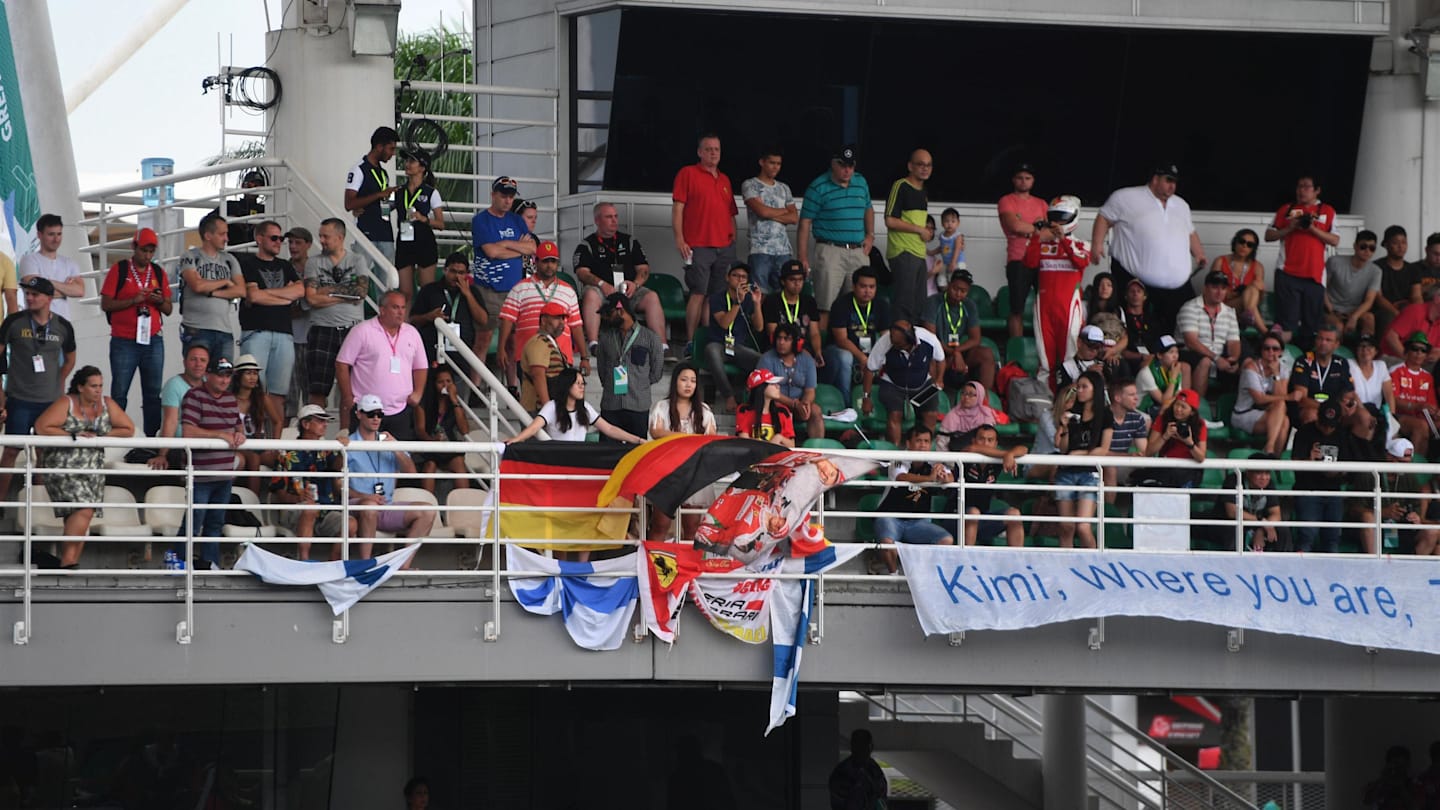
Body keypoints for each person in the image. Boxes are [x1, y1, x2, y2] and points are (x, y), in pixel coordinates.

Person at [33, 367, 135, 569]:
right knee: (84, 508)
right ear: (80, 387)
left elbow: (128, 429)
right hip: (63, 465)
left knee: (79, 514)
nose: (98, 390)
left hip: (93, 467)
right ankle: (69, 561)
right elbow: (42, 426)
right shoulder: (66, 402)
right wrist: (73, 437)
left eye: (100, 386)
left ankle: (67, 564)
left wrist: (102, 438)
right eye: (93, 386)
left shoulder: (107, 403)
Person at [1092, 163, 1206, 335]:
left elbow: (1190, 231)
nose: (1172, 186)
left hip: (1177, 286)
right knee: (1134, 331)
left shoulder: (1181, 205)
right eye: (1168, 180)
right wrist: (1097, 245)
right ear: (1155, 179)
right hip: (1135, 280)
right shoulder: (1125, 197)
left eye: (1174, 182)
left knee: (1179, 327)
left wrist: (1199, 253)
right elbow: (1104, 218)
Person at [0, 277, 76, 503]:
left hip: (49, 401)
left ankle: (39, 503)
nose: (29, 298)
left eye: (35, 294)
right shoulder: (14, 322)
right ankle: (1, 502)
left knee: (44, 452)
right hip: (19, 398)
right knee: (12, 450)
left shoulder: (63, 326)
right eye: (27, 293)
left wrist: (58, 382)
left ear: (49, 298)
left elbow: (71, 359)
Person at [342, 394, 436, 561]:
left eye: (380, 414)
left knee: (428, 511)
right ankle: (366, 563)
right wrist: (365, 497)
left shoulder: (389, 441)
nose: (376, 418)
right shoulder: (348, 443)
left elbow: (411, 473)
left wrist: (396, 448)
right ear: (359, 414)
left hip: (386, 505)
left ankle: (403, 564)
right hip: (357, 505)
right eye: (371, 414)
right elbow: (338, 484)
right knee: (369, 507)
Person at [99, 227, 172, 437]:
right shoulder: (120, 269)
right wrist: (134, 300)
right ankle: (115, 439)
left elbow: (169, 309)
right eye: (143, 251)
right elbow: (106, 304)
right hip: (124, 340)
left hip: (153, 339)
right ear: (134, 247)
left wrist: (159, 301)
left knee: (152, 394)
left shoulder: (158, 272)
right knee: (120, 392)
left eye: (151, 252)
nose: (147, 256)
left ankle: (151, 442)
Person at [673, 133, 740, 354]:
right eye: (709, 149)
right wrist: (680, 239)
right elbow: (678, 208)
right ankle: (691, 341)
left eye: (717, 149)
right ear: (700, 152)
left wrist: (733, 237)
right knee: (698, 293)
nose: (713, 153)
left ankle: (707, 340)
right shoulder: (688, 173)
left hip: (724, 246)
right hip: (699, 245)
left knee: (716, 296)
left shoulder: (724, 179)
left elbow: (731, 213)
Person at [798, 144, 874, 334]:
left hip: (858, 250)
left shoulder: (860, 182)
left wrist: (870, 235)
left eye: (851, 165)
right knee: (825, 306)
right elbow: (805, 223)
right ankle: (821, 354)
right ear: (833, 163)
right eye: (842, 165)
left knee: (858, 305)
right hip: (830, 250)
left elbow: (868, 208)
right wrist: (803, 257)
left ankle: (852, 350)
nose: (847, 170)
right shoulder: (818, 186)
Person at [180, 356, 247, 569]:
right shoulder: (194, 396)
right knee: (194, 520)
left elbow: (238, 427)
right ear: (208, 375)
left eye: (228, 376)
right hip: (201, 473)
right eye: (220, 375)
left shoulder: (230, 399)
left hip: (224, 474)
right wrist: (221, 435)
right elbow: (188, 432)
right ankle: (179, 562)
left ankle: (210, 565)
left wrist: (239, 435)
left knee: (215, 523)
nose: (225, 380)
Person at [335, 291, 429, 441]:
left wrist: (418, 393)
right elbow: (342, 364)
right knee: (363, 458)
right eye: (395, 307)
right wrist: (347, 396)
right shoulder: (362, 331)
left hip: (401, 409)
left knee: (399, 459)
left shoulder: (412, 333)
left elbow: (421, 366)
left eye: (403, 308)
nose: (400, 312)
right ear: (382, 309)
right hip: (366, 410)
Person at [573, 202, 665, 351]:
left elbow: (644, 268)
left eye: (616, 216)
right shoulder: (587, 245)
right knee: (590, 294)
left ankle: (662, 346)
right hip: (602, 292)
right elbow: (581, 273)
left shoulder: (629, 241)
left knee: (652, 297)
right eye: (609, 217)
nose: (614, 220)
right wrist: (602, 284)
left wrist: (635, 284)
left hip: (629, 291)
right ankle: (594, 344)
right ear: (597, 220)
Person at [269, 404, 353, 561]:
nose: (325, 425)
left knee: (351, 523)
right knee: (309, 508)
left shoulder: (327, 448)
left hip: (326, 511)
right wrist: (299, 499)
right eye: (320, 421)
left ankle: (334, 562)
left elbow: (337, 466)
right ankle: (305, 561)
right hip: (295, 513)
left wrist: (343, 448)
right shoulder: (285, 452)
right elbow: (279, 493)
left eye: (325, 421)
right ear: (305, 424)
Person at [238, 220, 304, 423]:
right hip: (256, 333)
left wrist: (265, 293)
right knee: (252, 389)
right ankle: (254, 437)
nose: (279, 242)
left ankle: (275, 442)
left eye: (281, 238)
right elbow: (252, 296)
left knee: (278, 393)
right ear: (259, 239)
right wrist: (284, 297)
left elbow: (300, 291)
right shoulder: (247, 263)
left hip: (284, 334)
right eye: (274, 238)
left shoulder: (286, 265)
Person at [1266, 175, 1340, 348]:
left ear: (1317, 190)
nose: (1302, 190)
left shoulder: (1327, 210)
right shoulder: (1286, 209)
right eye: (1299, 186)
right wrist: (1290, 227)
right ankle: (1278, 361)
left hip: (1314, 276)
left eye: (1307, 186)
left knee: (1311, 327)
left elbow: (1335, 240)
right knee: (1285, 325)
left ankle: (1307, 365)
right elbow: (1269, 235)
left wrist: (1312, 228)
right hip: (1287, 273)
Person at [498, 240, 587, 383]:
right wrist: (501, 348)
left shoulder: (568, 291)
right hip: (527, 356)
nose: (550, 265)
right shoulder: (519, 288)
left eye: (553, 261)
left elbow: (576, 326)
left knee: (558, 401)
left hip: (561, 356)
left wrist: (584, 357)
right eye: (545, 261)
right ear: (536, 262)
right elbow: (507, 319)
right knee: (531, 401)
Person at [1025, 194, 1090, 387]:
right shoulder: (1042, 244)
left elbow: (1081, 261)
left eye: (1062, 216)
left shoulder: (1081, 245)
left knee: (1069, 358)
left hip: (1069, 306)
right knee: (1045, 360)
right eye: (1054, 217)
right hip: (1043, 306)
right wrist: (1037, 237)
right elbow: (1029, 262)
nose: (1057, 222)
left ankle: (1069, 401)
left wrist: (1063, 240)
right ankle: (1044, 402)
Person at [647, 363, 717, 541]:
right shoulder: (661, 407)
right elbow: (656, 431)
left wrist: (682, 439)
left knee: (692, 526)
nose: (688, 385)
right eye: (684, 380)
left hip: (694, 472)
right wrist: (685, 437)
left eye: (693, 381)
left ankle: (687, 566)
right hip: (666, 472)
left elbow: (710, 439)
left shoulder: (704, 411)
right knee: (660, 525)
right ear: (675, 382)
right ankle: (655, 563)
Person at [872, 424, 955, 574]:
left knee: (946, 540)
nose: (923, 445)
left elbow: (950, 478)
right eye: (918, 441)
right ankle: (893, 575)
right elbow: (901, 477)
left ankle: (925, 575)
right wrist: (929, 478)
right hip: (891, 517)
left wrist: (944, 477)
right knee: (887, 543)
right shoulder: (898, 459)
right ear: (909, 443)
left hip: (918, 522)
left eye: (926, 441)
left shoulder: (935, 462)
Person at [471, 176, 534, 371]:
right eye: (503, 195)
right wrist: (518, 250)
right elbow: (491, 252)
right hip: (488, 289)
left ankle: (512, 387)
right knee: (484, 338)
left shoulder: (517, 220)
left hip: (514, 289)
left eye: (511, 196)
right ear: (493, 195)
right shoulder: (481, 220)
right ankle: (475, 387)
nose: (508, 200)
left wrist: (505, 245)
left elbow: (532, 247)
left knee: (513, 341)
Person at [862, 319, 945, 446]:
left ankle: (924, 449)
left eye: (898, 344)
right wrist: (866, 398)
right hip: (893, 384)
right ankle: (894, 451)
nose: (894, 344)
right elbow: (869, 369)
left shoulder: (929, 339)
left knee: (931, 414)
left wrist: (939, 379)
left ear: (910, 341)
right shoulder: (885, 341)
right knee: (895, 414)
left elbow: (941, 360)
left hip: (922, 383)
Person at [595, 291, 665, 441]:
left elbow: (657, 371)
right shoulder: (605, 339)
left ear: (620, 310)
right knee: (606, 452)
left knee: (636, 452)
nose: (605, 318)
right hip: (611, 404)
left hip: (638, 405)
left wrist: (640, 384)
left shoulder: (650, 338)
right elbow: (602, 369)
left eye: (609, 313)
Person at [176, 212, 245, 363]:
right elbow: (197, 285)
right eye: (222, 234)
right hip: (196, 329)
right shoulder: (190, 256)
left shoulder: (230, 259)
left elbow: (241, 290)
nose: (226, 238)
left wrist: (212, 292)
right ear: (208, 235)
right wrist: (225, 282)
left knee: (223, 379)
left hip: (225, 331)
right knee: (197, 378)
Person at [1053, 370, 1111, 548]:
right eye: (1078, 387)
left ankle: (1092, 564)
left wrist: (1081, 455)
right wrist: (1064, 426)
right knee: (1066, 527)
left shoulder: (1106, 415)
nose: (1080, 390)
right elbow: (1062, 447)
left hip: (1089, 473)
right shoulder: (1072, 413)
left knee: (1083, 527)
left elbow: (1104, 449)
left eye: (1085, 387)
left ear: (1096, 389)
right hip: (1066, 472)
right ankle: (1065, 567)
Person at [508, 368, 644, 444]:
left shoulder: (585, 407)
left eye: (583, 383)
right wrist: (516, 440)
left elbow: (609, 429)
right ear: (567, 385)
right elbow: (533, 428)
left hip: (579, 457)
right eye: (577, 383)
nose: (581, 387)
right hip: (557, 460)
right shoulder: (551, 406)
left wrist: (637, 440)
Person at [410, 252, 487, 376]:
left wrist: (468, 295)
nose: (456, 276)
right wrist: (429, 317)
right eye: (452, 271)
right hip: (432, 351)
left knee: (459, 392)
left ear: (467, 274)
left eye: (461, 273)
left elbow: (483, 320)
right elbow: (412, 320)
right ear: (445, 270)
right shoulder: (429, 290)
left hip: (461, 352)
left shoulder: (473, 292)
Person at [705, 262, 766, 412]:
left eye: (744, 277)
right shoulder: (716, 298)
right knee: (711, 350)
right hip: (719, 344)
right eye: (736, 276)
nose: (740, 280)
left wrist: (757, 304)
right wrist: (737, 303)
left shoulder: (749, 300)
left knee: (764, 360)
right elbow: (724, 324)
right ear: (727, 277)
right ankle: (729, 396)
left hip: (738, 347)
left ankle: (750, 397)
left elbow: (759, 327)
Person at [822, 267, 888, 404]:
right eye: (863, 286)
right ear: (854, 286)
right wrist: (863, 358)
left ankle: (881, 402)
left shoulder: (881, 304)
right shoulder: (841, 304)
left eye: (872, 287)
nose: (867, 291)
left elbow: (886, 336)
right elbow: (841, 340)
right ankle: (846, 404)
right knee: (845, 357)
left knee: (891, 354)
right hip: (840, 351)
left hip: (869, 353)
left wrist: (878, 356)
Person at [998, 162, 1049, 338]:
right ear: (1013, 180)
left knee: (1046, 306)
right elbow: (1015, 225)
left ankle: (1044, 346)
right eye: (1020, 178)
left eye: (1027, 178)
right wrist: (1039, 229)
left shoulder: (1042, 203)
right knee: (1017, 308)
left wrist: (1034, 230)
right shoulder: (1006, 200)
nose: (1023, 181)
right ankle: (1016, 349)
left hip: (1043, 260)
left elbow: (1051, 230)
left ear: (1033, 181)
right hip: (1018, 259)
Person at [922, 269, 995, 392]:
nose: (958, 294)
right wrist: (952, 352)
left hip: (958, 352)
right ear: (949, 285)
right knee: (931, 359)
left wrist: (957, 352)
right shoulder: (933, 302)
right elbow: (930, 338)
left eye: (963, 291)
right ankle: (932, 402)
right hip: (938, 352)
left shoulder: (969, 305)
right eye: (955, 289)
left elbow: (975, 338)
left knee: (986, 354)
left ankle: (984, 401)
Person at [956, 424, 1027, 547]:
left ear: (996, 443)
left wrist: (1010, 454)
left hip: (983, 519)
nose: (985, 443)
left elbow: (1024, 449)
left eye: (990, 440)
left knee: (1014, 514)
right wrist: (1007, 454)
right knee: (973, 512)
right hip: (956, 518)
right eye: (981, 439)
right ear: (974, 440)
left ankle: (1017, 560)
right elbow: (973, 448)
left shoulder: (996, 460)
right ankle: (965, 560)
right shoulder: (966, 454)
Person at [884, 148, 933, 322]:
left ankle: (915, 345)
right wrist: (920, 230)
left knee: (919, 306)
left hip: (919, 252)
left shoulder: (923, 191)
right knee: (904, 305)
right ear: (910, 166)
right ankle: (900, 344)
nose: (925, 168)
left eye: (928, 165)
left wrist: (926, 231)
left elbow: (915, 222)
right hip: (903, 251)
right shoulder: (901, 186)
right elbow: (890, 220)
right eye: (920, 164)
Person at [1176, 270, 1242, 400]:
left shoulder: (1229, 312)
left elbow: (1234, 342)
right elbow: (1191, 342)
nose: (1219, 292)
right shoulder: (1190, 307)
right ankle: (1197, 407)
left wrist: (1233, 359)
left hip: (1217, 359)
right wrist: (1216, 358)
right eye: (1214, 287)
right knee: (1205, 361)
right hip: (1187, 354)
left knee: (1245, 364)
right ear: (1205, 288)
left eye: (1223, 288)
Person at [1292, 399, 1347, 553]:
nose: (1328, 429)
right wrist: (1309, 460)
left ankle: (1330, 575)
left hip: (1333, 491)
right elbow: (1294, 463)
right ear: (1318, 417)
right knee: (1307, 536)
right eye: (1324, 424)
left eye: (1332, 425)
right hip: (1308, 491)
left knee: (1333, 538)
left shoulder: (1342, 434)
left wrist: (1336, 471)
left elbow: (1349, 465)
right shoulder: (1304, 432)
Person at [742, 147, 797, 291]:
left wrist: (769, 212)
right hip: (760, 249)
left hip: (783, 250)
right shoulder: (750, 185)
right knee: (759, 293)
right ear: (762, 162)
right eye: (772, 163)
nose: (775, 167)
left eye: (778, 164)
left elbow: (794, 217)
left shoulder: (784, 188)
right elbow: (762, 212)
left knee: (784, 294)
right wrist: (784, 211)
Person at [755, 322, 822, 439]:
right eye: (779, 338)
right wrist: (794, 404)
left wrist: (805, 404)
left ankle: (818, 449)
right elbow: (766, 390)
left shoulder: (807, 360)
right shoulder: (766, 359)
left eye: (787, 339)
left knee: (815, 411)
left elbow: (810, 390)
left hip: (799, 404)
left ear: (797, 342)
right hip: (774, 404)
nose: (781, 342)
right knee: (779, 408)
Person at [343, 126, 399, 263]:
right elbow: (349, 204)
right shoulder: (359, 169)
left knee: (386, 283)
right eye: (391, 149)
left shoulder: (383, 173)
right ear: (380, 147)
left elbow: (383, 206)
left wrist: (395, 200)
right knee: (363, 280)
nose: (393, 154)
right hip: (365, 234)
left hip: (386, 235)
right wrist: (379, 194)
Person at [1205, 454, 1284, 552]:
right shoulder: (1234, 479)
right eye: (1259, 473)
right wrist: (1261, 522)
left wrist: (1261, 529)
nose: (1264, 477)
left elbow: (1276, 514)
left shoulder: (1269, 484)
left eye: (1267, 473)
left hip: (1255, 525)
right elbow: (1232, 512)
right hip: (1227, 524)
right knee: (1235, 531)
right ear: (1248, 472)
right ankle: (1234, 564)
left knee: (1282, 531)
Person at [393, 152, 445, 298]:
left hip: (424, 242)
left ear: (422, 168)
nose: (407, 164)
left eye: (412, 161)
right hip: (404, 242)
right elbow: (382, 210)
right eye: (407, 160)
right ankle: (405, 321)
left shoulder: (431, 192)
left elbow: (441, 224)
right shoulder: (398, 191)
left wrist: (424, 219)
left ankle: (426, 321)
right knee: (405, 293)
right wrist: (361, 209)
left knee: (427, 291)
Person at [412, 367, 471, 494]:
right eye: (441, 382)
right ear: (433, 384)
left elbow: (464, 429)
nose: (445, 385)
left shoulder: (454, 403)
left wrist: (454, 400)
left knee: (460, 463)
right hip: (428, 447)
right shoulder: (423, 403)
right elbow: (420, 430)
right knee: (430, 465)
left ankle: (464, 505)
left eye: (449, 381)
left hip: (447, 447)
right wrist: (433, 441)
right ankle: (428, 507)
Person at [153, 343, 210, 470]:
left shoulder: (210, 385)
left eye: (203, 360)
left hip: (206, 445)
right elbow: (170, 421)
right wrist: (162, 455)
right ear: (184, 362)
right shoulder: (174, 384)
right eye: (193, 359)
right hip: (179, 446)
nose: (198, 364)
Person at [230, 354, 282, 493]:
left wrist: (275, 446)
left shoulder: (262, 398)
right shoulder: (229, 399)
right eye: (248, 373)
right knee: (254, 458)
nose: (253, 377)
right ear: (238, 376)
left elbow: (278, 421)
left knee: (284, 459)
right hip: (239, 444)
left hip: (260, 443)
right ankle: (254, 502)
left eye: (255, 373)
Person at [1234, 334, 1293, 454]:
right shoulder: (1251, 368)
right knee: (1283, 418)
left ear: (1281, 351)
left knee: (1284, 417)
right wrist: (1289, 397)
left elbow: (1280, 396)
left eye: (1275, 349)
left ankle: (1271, 455)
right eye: (1267, 348)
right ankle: (1271, 452)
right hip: (1244, 413)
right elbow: (1259, 399)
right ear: (1261, 350)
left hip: (1268, 413)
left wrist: (1276, 374)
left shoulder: (1283, 369)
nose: (1271, 352)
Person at [17, 213, 84, 320]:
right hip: (35, 324)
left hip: (63, 325)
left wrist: (49, 282)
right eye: (51, 234)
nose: (56, 239)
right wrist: (65, 290)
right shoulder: (29, 260)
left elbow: (79, 291)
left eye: (59, 234)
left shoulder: (70, 263)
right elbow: (36, 292)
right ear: (39, 235)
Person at [1289, 321, 1355, 427]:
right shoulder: (1304, 361)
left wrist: (1349, 404)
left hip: (1334, 409)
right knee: (1312, 414)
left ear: (1336, 344)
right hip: (1311, 409)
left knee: (1361, 416)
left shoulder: (1341, 363)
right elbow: (1301, 399)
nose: (1323, 343)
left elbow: (1349, 393)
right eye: (1320, 338)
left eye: (1328, 340)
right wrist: (1330, 409)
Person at [762, 259, 824, 366]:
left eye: (800, 280)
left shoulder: (809, 301)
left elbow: (814, 333)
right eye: (792, 280)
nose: (797, 284)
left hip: (804, 348)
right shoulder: (772, 301)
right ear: (783, 281)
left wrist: (818, 352)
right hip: (779, 347)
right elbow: (773, 333)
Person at [1143, 388, 1207, 487]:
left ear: (1192, 412)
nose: (1178, 409)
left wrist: (1189, 443)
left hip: (1187, 472)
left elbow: (1201, 458)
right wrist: (1165, 436)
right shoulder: (1163, 418)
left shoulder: (1200, 424)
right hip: (1165, 469)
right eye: (1177, 404)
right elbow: (1149, 452)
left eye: (1183, 407)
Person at [1325, 230, 1383, 339]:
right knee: (1338, 326)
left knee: (1369, 318)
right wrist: (1331, 309)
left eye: (1372, 248)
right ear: (1355, 246)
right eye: (1363, 246)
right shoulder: (1335, 262)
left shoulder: (1376, 271)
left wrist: (1354, 317)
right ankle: (1336, 353)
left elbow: (1369, 300)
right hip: (1331, 309)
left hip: (1355, 310)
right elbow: (1322, 288)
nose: (1367, 251)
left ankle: (1366, 348)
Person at [1391, 331, 1440, 458]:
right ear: (1407, 351)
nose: (1419, 353)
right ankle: (1415, 472)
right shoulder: (1396, 371)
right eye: (1415, 349)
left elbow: (1431, 405)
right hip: (1397, 416)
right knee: (1421, 426)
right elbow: (1392, 399)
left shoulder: (1428, 377)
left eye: (1423, 350)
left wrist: (1435, 412)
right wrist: (1415, 406)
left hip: (1421, 418)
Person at [1211, 228, 1267, 331]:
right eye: (1241, 241)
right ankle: (1266, 333)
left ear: (1253, 249)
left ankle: (1248, 315)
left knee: (1254, 288)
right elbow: (1212, 291)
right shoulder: (1220, 261)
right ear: (1235, 242)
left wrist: (1256, 290)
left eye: (1250, 245)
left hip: (1247, 307)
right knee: (1249, 300)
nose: (1244, 246)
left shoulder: (1258, 267)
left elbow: (1259, 297)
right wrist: (1238, 293)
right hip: (1222, 307)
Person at [1105, 377, 1150, 501]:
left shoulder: (1137, 418)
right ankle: (1109, 514)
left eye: (1136, 394)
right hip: (1101, 465)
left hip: (1124, 463)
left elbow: (1144, 450)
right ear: (1117, 398)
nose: (1136, 398)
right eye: (1131, 395)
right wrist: (1128, 456)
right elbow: (1099, 453)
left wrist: (1141, 455)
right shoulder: (1102, 416)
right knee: (1110, 468)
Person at [285, 226, 314, 420]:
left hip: (312, 337)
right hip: (289, 337)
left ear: (308, 245)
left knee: (312, 395)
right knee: (289, 396)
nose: (293, 247)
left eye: (298, 242)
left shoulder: (317, 268)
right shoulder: (283, 267)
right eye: (290, 242)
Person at [518, 301, 569, 412]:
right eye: (557, 318)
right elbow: (538, 375)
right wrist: (548, 409)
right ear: (544, 320)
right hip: (536, 409)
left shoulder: (549, 343)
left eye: (562, 319)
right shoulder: (539, 343)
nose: (561, 323)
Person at [828, 729, 887, 810]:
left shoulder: (873, 768)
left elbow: (881, 797)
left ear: (871, 747)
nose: (862, 750)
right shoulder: (842, 772)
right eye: (858, 745)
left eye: (865, 745)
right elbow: (839, 800)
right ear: (852, 747)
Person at [736, 368, 796, 447]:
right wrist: (770, 445)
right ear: (761, 388)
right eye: (772, 384)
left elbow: (792, 445)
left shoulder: (783, 411)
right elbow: (744, 442)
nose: (778, 386)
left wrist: (780, 438)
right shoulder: (744, 410)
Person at [1377, 224, 1417, 337]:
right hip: (1385, 310)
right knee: (1388, 317)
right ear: (1386, 244)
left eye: (1404, 242)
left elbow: (1416, 296)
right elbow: (1378, 297)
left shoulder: (1413, 269)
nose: (1401, 246)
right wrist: (1396, 312)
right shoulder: (1377, 267)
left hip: (1406, 308)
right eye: (1395, 243)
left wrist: (1417, 310)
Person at [1135, 334, 1190, 414]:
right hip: (1142, 410)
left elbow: (1178, 395)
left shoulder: (1174, 370)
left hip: (1159, 407)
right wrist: (1173, 378)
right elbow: (1163, 401)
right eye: (1171, 352)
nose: (1175, 356)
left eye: (1177, 352)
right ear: (1159, 355)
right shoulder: (1146, 373)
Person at [1384, 284, 1440, 361]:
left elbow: (1437, 350)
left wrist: (1434, 355)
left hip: (1419, 364)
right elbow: (1391, 337)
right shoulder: (1415, 311)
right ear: (1437, 299)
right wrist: (1408, 359)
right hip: (1394, 358)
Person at [938, 380, 999, 445]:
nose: (966, 397)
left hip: (982, 451)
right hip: (956, 453)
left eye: (971, 394)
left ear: (979, 396)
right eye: (964, 393)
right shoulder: (952, 415)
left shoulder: (986, 414)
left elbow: (989, 438)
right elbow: (942, 442)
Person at [1120, 278, 1158, 375]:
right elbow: (1121, 351)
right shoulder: (1121, 317)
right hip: (1131, 360)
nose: (1135, 294)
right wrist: (1141, 356)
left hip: (1153, 358)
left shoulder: (1152, 319)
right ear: (1126, 296)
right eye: (1132, 291)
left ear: (1144, 296)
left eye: (1139, 291)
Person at [1362, 745, 1418, 810]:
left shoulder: (1414, 783)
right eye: (1396, 764)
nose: (1399, 769)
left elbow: (1415, 806)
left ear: (1408, 765)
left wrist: (1400, 787)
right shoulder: (1380, 784)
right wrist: (1383, 780)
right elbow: (1367, 801)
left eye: (1402, 766)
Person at [221, 169, 266, 249]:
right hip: (232, 252)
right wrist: (231, 220)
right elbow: (210, 221)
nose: (254, 189)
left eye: (258, 186)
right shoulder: (230, 206)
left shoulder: (264, 209)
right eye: (250, 185)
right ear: (243, 186)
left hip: (256, 254)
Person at [1350, 332, 1396, 411]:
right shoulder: (1349, 364)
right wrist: (1364, 413)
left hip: (1376, 413)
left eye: (1370, 346)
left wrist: (1391, 417)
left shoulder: (1381, 366)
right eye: (1361, 346)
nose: (1365, 350)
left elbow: (1389, 395)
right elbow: (1351, 392)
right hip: (1356, 412)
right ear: (1356, 350)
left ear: (1376, 351)